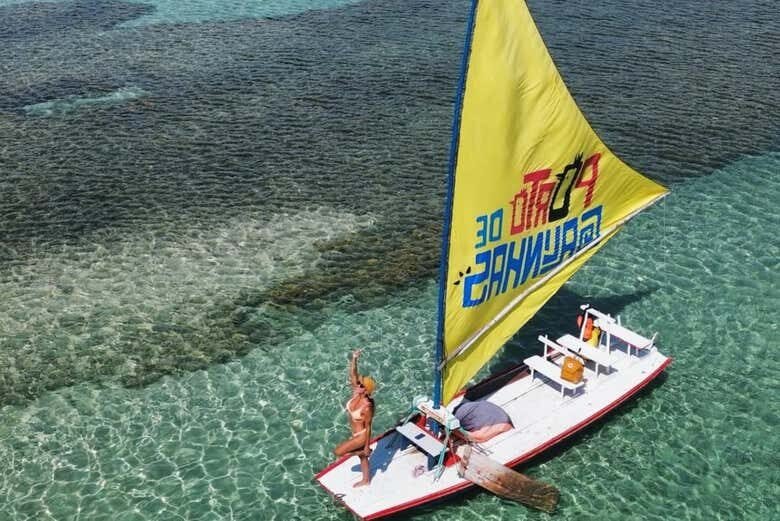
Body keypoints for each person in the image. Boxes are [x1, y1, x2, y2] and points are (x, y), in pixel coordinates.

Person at [334, 349, 375, 487]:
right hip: (355, 433)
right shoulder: (356, 392)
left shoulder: (367, 407)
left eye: (361, 385)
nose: (358, 384)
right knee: (362, 458)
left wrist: (367, 446)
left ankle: (363, 451)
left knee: (338, 452)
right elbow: (352, 374)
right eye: (359, 383)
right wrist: (354, 358)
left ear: (366, 391)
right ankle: (366, 480)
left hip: (361, 436)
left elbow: (368, 427)